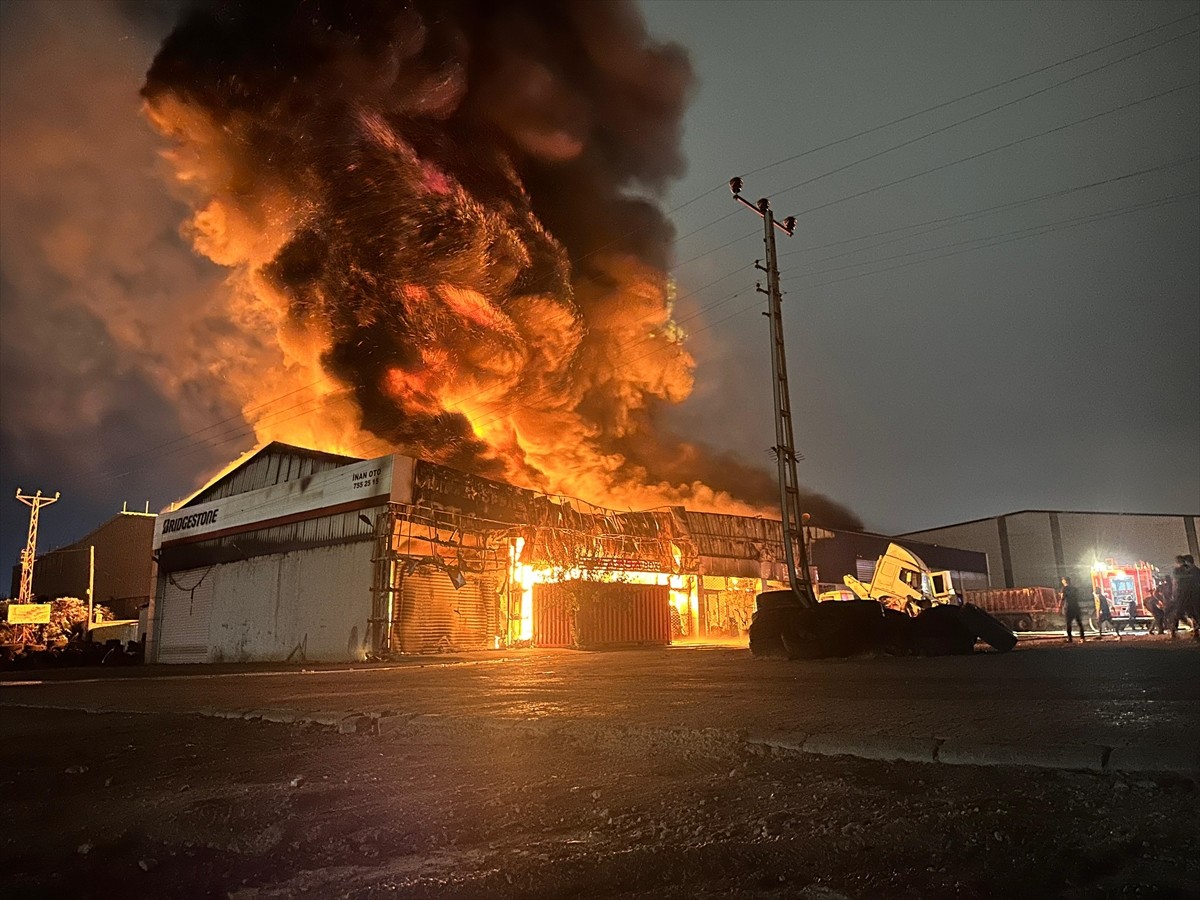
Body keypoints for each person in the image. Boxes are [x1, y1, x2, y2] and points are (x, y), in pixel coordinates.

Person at [1170, 554, 1200, 641]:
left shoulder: (1178, 571)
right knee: (1193, 613)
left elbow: (1175, 583)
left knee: (1179, 613)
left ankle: (1174, 631)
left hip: (1182, 595)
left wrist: (1174, 595)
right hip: (1192, 595)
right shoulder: (1194, 570)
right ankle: (1195, 631)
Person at [1060, 576, 1086, 643]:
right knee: (1079, 623)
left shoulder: (1064, 589)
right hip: (1076, 606)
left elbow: (1062, 598)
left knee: (1068, 623)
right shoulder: (1074, 589)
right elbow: (1078, 596)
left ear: (1064, 581)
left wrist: (1059, 606)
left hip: (1068, 607)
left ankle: (1070, 639)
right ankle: (1082, 638)